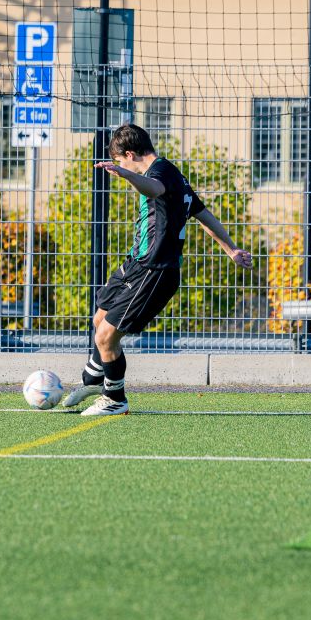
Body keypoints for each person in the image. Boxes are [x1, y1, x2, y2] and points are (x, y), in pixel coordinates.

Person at [64, 123, 253, 416]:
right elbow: (203, 215)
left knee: (106, 336)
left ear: (130, 154)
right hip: (137, 263)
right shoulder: (174, 174)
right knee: (100, 317)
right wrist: (231, 249)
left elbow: (154, 188)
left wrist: (127, 175)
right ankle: (93, 378)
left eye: (121, 161)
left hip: (156, 270)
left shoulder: (160, 173)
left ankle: (114, 399)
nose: (121, 166)